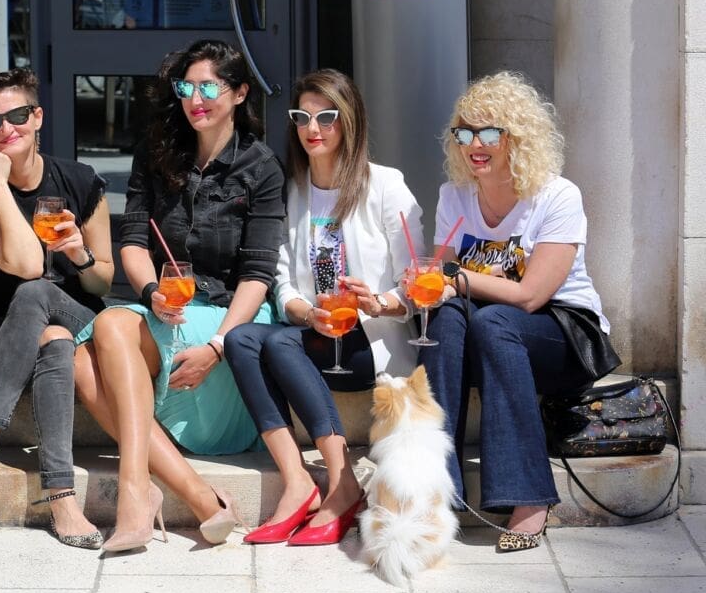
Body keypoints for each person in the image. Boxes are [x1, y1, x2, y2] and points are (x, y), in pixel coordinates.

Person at [72, 39, 286, 552]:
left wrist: (218, 346)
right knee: (79, 360)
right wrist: (150, 290)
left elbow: (258, 275)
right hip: (169, 309)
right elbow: (133, 242)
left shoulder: (261, 167)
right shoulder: (157, 152)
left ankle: (136, 492)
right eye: (186, 87)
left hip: (233, 322)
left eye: (209, 87)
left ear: (239, 93)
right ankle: (195, 496)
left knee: (109, 326)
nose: (195, 99)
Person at [224, 70, 424, 546]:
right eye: (302, 117)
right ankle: (297, 480)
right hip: (316, 336)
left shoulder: (386, 186)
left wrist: (379, 303)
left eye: (326, 117)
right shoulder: (292, 189)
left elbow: (417, 282)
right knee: (241, 338)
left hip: (368, 344)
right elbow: (282, 280)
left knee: (281, 347)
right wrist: (304, 312)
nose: (312, 128)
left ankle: (341, 483)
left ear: (349, 120)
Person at [419, 71, 612, 552]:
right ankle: (436, 491)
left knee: (493, 320)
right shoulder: (454, 196)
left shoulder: (557, 196)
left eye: (489, 133)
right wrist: (406, 292)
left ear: (517, 137)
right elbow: (439, 279)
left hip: (564, 334)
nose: (474, 145)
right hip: (488, 331)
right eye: (465, 133)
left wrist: (455, 277)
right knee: (446, 319)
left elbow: (530, 296)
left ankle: (528, 497)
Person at [0, 68, 113, 549]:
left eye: (18, 115)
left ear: (38, 117)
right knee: (50, 335)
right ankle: (62, 499)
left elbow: (102, 281)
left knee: (41, 299)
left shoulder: (81, 181)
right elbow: (25, 264)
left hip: (78, 318)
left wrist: (80, 254)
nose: (7, 128)